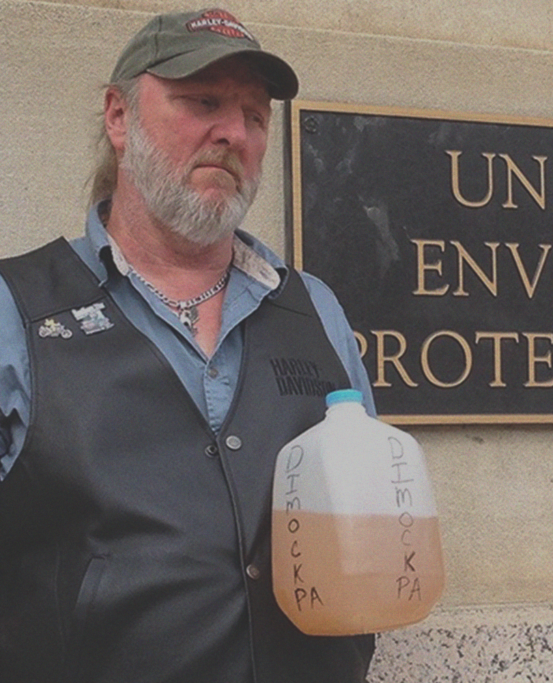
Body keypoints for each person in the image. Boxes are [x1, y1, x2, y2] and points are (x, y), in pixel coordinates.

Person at [0, 9, 376, 683]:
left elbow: (370, 527)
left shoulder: (315, 310)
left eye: (255, 116)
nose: (233, 132)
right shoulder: (17, 310)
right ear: (119, 117)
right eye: (203, 102)